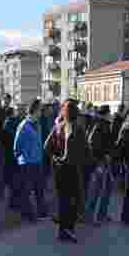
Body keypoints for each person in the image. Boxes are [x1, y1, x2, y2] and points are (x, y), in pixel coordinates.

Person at [45, 100, 87, 243]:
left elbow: (47, 147)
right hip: (72, 169)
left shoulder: (58, 127)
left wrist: (55, 158)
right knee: (72, 200)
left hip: (60, 169)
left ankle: (64, 231)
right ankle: (67, 229)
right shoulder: (78, 129)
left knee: (63, 200)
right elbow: (86, 151)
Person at [13, 99, 47, 223]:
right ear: (34, 110)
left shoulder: (37, 125)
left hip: (38, 161)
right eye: (40, 110)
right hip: (27, 163)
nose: (41, 113)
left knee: (39, 188)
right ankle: (27, 214)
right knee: (26, 190)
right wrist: (22, 162)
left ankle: (42, 212)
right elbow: (17, 148)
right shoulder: (23, 126)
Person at [85, 105, 116, 225]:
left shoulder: (105, 125)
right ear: (106, 114)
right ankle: (90, 216)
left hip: (105, 162)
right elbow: (93, 144)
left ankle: (102, 214)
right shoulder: (99, 125)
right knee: (95, 190)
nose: (111, 115)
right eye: (109, 113)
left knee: (108, 188)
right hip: (99, 162)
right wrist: (103, 156)